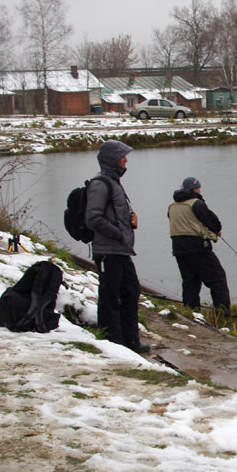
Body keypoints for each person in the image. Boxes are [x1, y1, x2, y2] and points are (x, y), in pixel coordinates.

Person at [85, 139, 149, 353]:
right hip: (108, 251)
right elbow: (93, 218)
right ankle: (113, 343)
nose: (126, 159)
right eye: (123, 156)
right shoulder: (100, 184)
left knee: (131, 292)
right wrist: (119, 234)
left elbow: (115, 213)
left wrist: (129, 220)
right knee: (110, 297)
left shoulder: (114, 182)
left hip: (120, 250)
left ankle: (130, 342)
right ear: (113, 159)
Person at [168, 176, 230, 314]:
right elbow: (214, 223)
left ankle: (191, 313)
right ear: (196, 189)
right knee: (217, 278)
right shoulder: (197, 204)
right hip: (197, 247)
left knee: (190, 281)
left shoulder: (172, 206)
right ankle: (223, 313)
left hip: (178, 248)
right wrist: (216, 232)